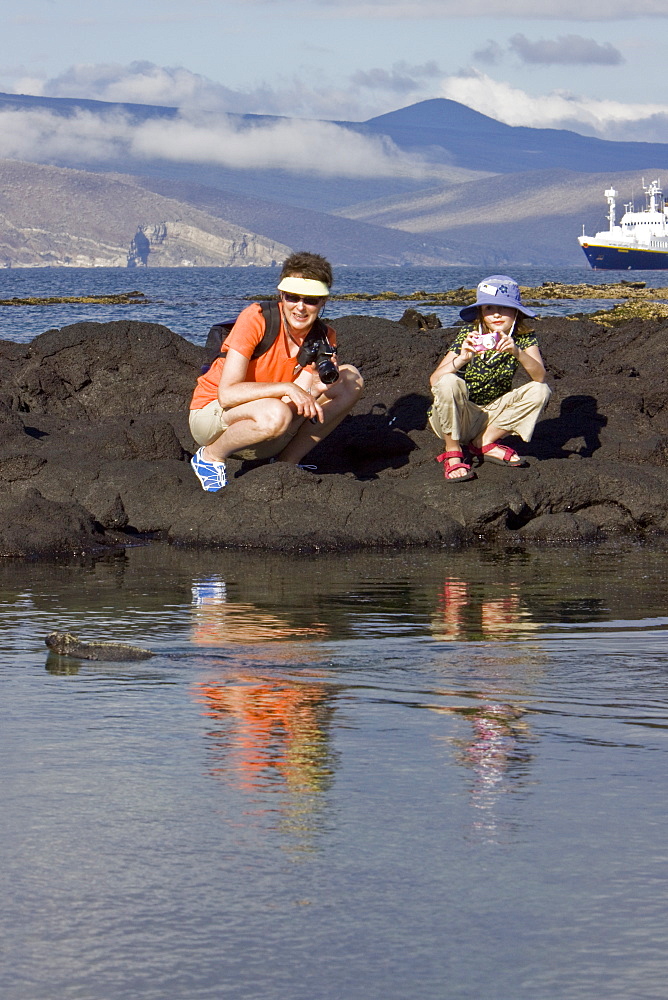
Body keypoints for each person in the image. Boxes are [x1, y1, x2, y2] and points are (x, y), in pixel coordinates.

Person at [189, 251, 364, 491]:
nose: (300, 307)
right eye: (293, 297)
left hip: (268, 421)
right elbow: (227, 395)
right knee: (276, 412)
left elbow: (297, 399)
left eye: (311, 300)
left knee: (349, 379)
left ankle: (286, 463)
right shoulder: (257, 319)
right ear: (281, 295)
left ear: (323, 301)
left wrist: (314, 387)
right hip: (213, 416)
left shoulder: (323, 338)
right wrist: (288, 387)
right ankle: (210, 457)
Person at [428, 274, 551, 483]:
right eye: (489, 309)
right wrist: (463, 358)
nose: (496, 315)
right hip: (458, 416)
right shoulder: (469, 334)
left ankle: (483, 442)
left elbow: (540, 377)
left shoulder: (523, 337)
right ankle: (453, 450)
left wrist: (517, 352)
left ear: (516, 312)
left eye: (504, 308)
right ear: (481, 313)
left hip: (492, 417)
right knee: (449, 381)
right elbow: (435, 380)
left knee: (541, 390)